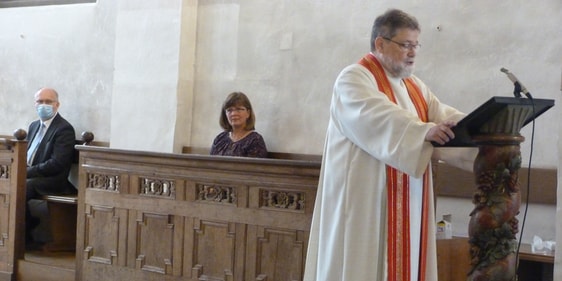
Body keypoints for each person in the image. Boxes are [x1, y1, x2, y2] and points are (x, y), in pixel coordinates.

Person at [303, 9, 476, 281]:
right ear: (380, 43)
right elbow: (372, 115)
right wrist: (423, 132)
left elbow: (443, 116)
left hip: (409, 199)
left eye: (416, 45)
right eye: (405, 45)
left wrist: (483, 128)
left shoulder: (414, 86)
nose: (413, 52)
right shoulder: (354, 78)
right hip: (365, 201)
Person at [25, 87, 76, 244]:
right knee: (8, 184)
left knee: (23, 186)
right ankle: (24, 225)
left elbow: (57, 163)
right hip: (31, 174)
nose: (43, 105)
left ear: (57, 105)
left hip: (53, 180)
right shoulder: (34, 126)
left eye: (48, 102)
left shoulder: (64, 129)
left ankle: (24, 232)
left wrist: (27, 172)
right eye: (40, 101)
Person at [210, 92, 268, 158]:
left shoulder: (255, 140)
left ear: (248, 113)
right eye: (229, 110)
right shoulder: (219, 139)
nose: (234, 113)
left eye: (239, 109)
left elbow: (254, 167)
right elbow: (210, 165)